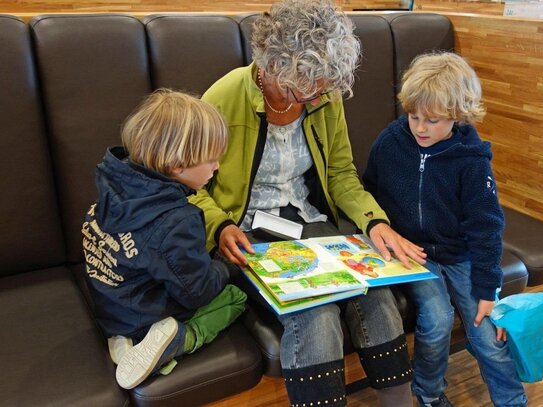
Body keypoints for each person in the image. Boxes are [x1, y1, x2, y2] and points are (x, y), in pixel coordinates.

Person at [190, 1, 427, 405]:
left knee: (374, 295)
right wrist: (219, 225)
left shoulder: (324, 96)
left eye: (323, 83)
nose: (315, 93)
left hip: (308, 221)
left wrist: (374, 223)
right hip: (246, 229)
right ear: (273, 64)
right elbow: (188, 183)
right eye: (304, 82)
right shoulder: (224, 97)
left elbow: (340, 174)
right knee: (314, 311)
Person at [362, 52, 528, 407]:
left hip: (462, 255)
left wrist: (488, 289)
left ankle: (512, 401)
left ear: (458, 115)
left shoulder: (471, 159)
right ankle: (429, 394)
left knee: (488, 334)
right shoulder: (391, 141)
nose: (420, 128)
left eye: (433, 120)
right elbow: (368, 193)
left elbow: (486, 228)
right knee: (436, 319)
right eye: (414, 116)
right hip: (413, 254)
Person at [81, 89, 247, 390]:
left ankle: (123, 339)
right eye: (211, 159)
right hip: (144, 310)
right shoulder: (176, 222)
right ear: (177, 166)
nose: (217, 167)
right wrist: (226, 267)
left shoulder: (115, 182)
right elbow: (197, 292)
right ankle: (180, 339)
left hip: (110, 305)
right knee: (236, 298)